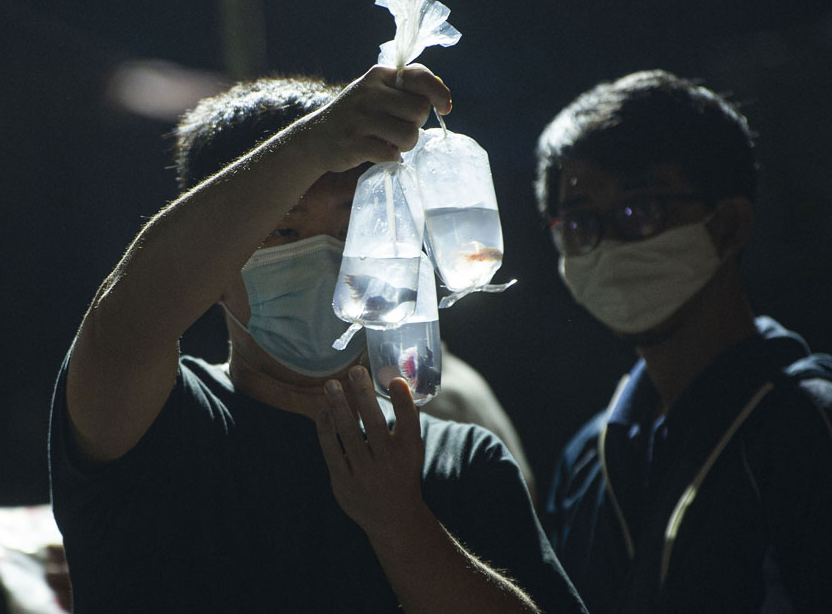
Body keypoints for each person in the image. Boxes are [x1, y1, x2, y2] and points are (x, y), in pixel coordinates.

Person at [48, 65, 585, 613]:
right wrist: (313, 144)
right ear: (214, 257)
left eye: (358, 225)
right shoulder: (155, 426)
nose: (330, 253)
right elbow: (130, 320)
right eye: (283, 230)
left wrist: (403, 527)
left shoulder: (458, 460)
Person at [535, 70, 832, 613]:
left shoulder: (816, 434)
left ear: (729, 226)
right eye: (581, 224)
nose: (608, 247)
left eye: (640, 211)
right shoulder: (589, 460)